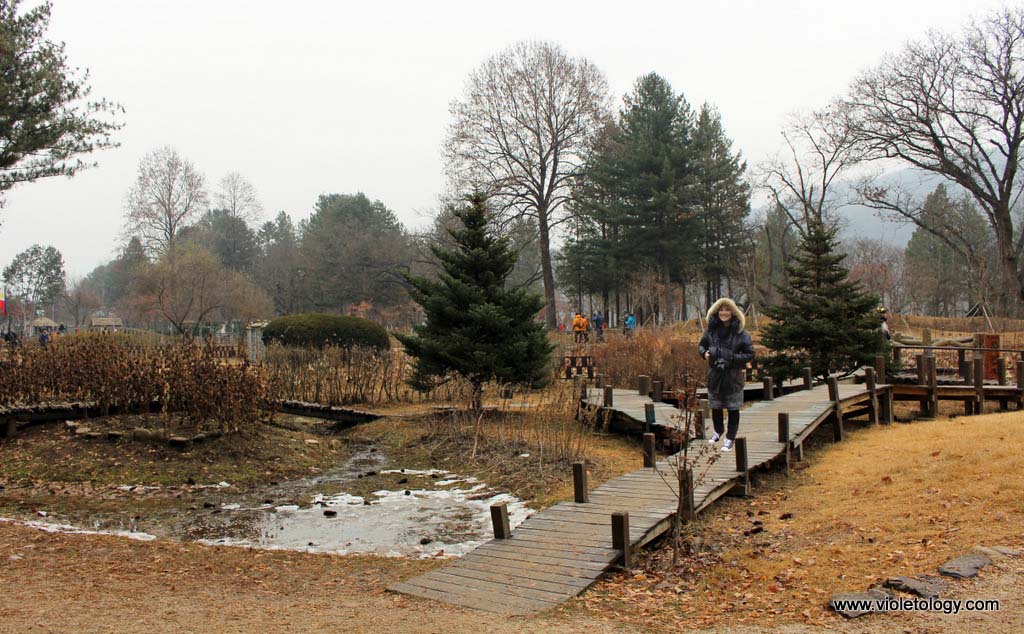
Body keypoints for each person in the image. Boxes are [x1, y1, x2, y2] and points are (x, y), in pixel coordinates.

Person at [698, 298, 755, 452]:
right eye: (721, 309)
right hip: (714, 375)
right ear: (717, 312)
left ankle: (730, 438)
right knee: (715, 406)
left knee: (732, 408)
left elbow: (750, 353)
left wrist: (732, 359)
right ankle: (718, 431)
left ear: (733, 312)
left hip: (732, 377)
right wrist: (705, 353)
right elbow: (702, 345)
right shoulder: (711, 331)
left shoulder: (741, 333)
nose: (724, 313)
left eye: (727, 309)